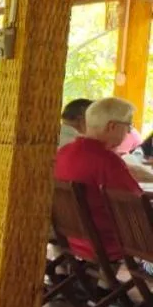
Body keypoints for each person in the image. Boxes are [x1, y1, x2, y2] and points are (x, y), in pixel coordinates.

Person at [55, 97, 140, 262]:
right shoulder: (107, 161)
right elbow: (136, 205)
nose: (128, 133)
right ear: (112, 126)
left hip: (74, 240)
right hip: (108, 244)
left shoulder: (63, 153)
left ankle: (105, 284)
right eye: (128, 126)